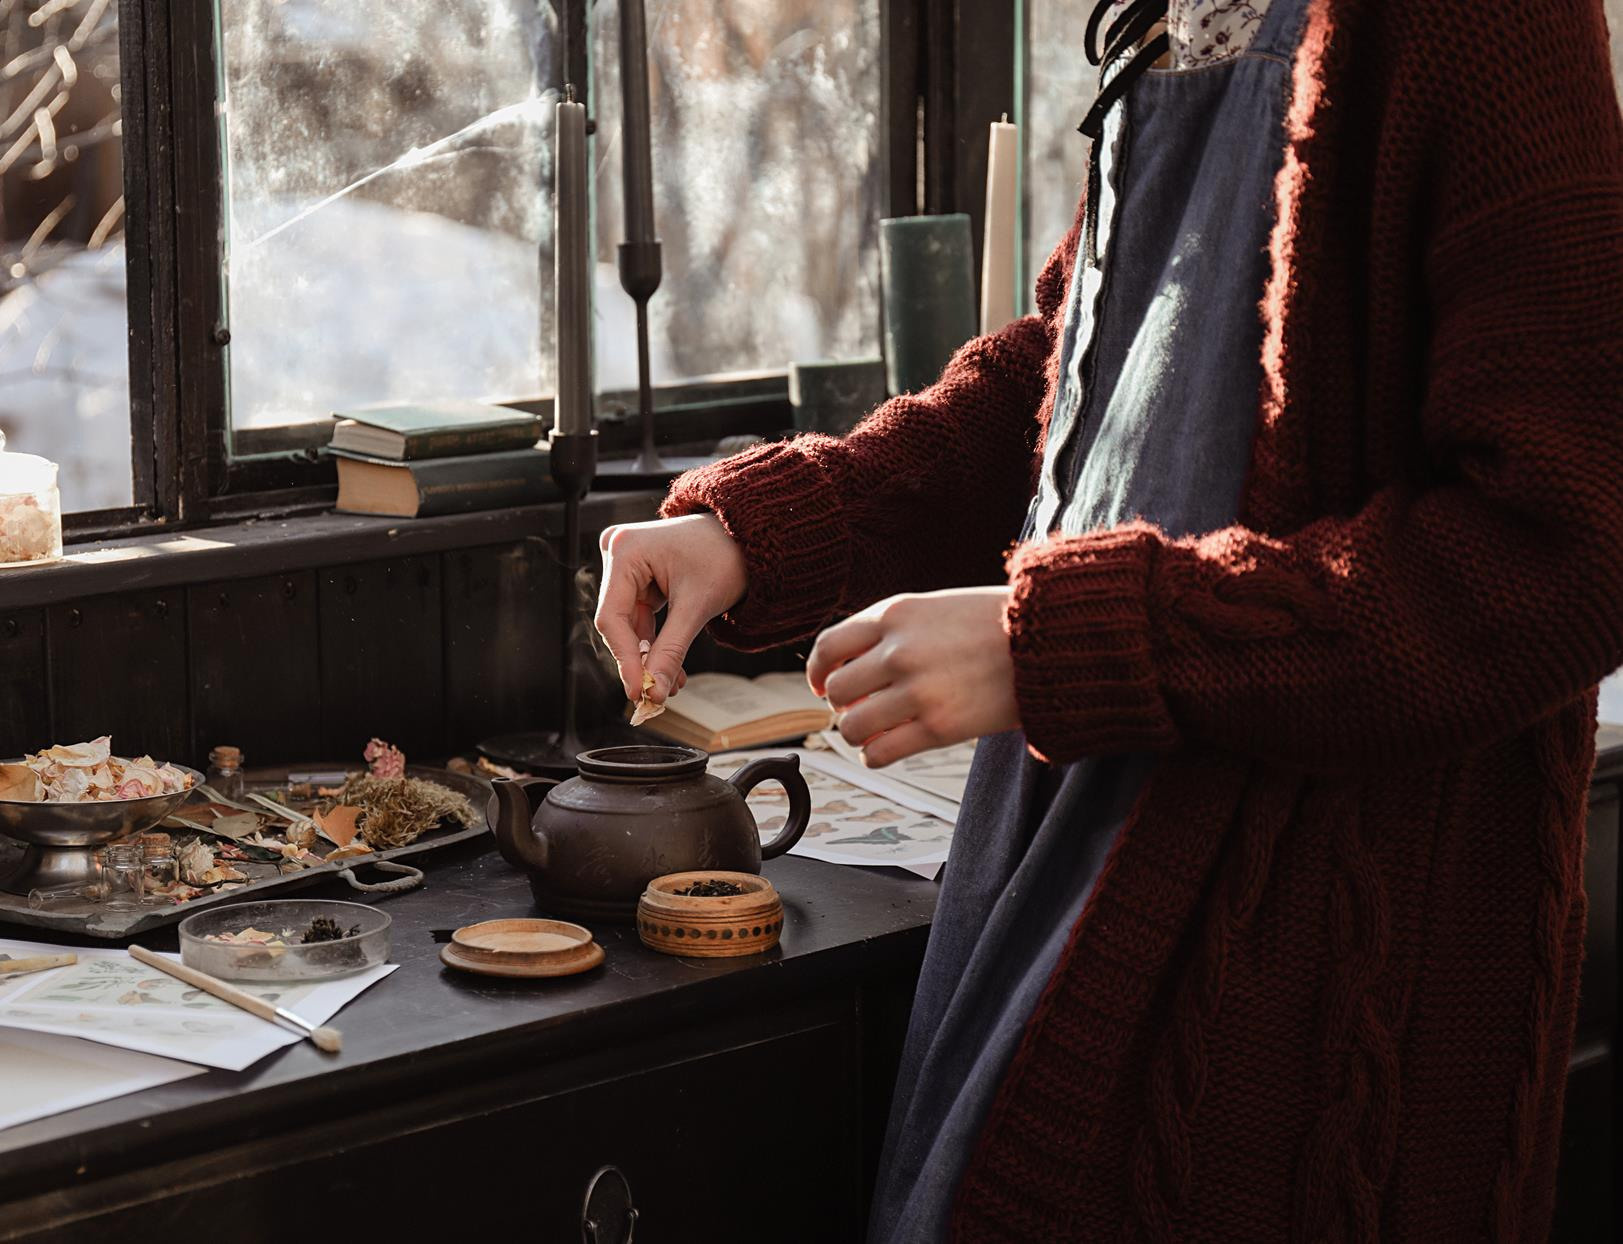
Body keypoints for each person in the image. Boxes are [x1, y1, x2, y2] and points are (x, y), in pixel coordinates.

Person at [593, 0, 1623, 1239]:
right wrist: (766, 528)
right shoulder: (1181, 14)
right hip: (1049, 860)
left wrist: (1062, 643)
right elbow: (1081, 372)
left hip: (1303, 1000)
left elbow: (1570, 550)